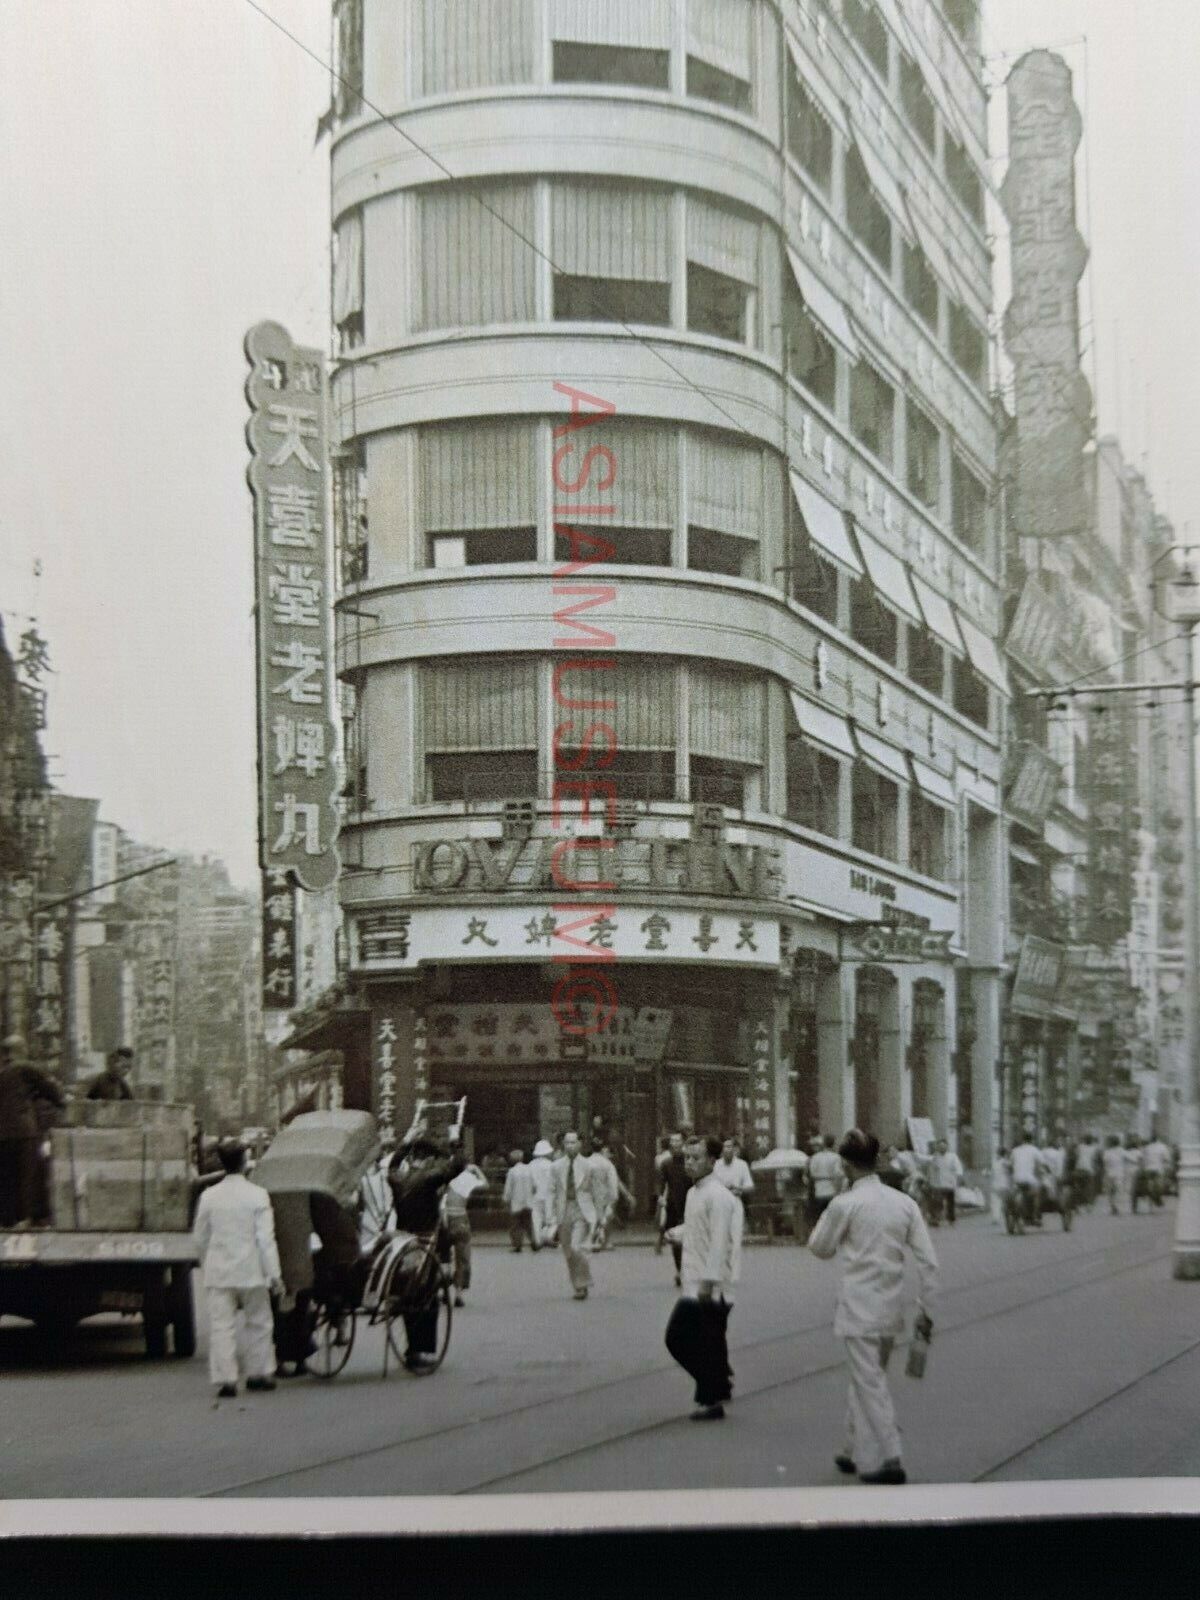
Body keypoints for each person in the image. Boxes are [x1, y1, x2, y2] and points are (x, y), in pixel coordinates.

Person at [808, 1129, 938, 1486]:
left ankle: (891, 1456)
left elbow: (819, 1247)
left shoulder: (845, 1204)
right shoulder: (904, 1203)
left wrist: (835, 1202)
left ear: (846, 1166)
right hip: (890, 1308)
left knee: (868, 1381)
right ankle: (850, 1449)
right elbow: (928, 1262)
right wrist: (926, 1310)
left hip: (857, 1308)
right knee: (866, 1377)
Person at [192, 1139, 282, 1398]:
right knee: (259, 1322)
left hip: (219, 1271)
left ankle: (227, 1379)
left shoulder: (209, 1196)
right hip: (252, 1269)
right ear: (245, 1163)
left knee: (222, 1326)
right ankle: (258, 1373)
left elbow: (200, 1237)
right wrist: (274, 1274)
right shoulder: (258, 1195)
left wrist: (206, 1261)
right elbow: (265, 1239)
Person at [663, 1134, 741, 1422]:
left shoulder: (718, 1195)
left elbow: (720, 1241)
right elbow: (698, 1228)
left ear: (712, 1160)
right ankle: (717, 1387)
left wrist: (708, 1282)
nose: (690, 1163)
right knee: (711, 1342)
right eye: (687, 1158)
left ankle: (712, 1396)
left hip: (710, 1285)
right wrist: (678, 1233)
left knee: (677, 1338)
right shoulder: (695, 1192)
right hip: (695, 1279)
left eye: (696, 1158)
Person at [384, 1128, 465, 1370]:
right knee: (425, 1298)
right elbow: (458, 1165)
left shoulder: (397, 1179)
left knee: (410, 1292)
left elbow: (391, 1166)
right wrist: (453, 1142)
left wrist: (405, 1145)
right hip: (425, 1241)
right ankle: (417, 1349)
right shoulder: (430, 1178)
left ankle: (412, 1344)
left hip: (402, 1241)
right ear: (427, 1159)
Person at [0, 1035, 64, 1227]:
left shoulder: (3, 1073)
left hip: (2, 1136)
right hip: (24, 1133)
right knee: (29, 1176)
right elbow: (53, 1091)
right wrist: (61, 1100)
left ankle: (7, 1222)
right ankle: (27, 1219)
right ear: (21, 1050)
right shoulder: (26, 1067)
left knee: (7, 1178)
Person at [551, 1131, 599, 1300]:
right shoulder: (556, 1166)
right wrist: (551, 1218)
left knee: (577, 1247)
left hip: (582, 1209)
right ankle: (577, 1285)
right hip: (564, 1209)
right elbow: (552, 1192)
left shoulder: (588, 1166)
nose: (570, 1146)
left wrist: (599, 1216)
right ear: (563, 1145)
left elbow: (596, 1192)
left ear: (579, 1144)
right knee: (568, 1252)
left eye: (573, 1142)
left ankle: (583, 1282)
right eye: (567, 1143)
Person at [441, 1161, 486, 1308]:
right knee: (462, 1259)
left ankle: (443, 1290)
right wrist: (476, 1169)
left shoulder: (442, 1178)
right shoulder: (466, 1179)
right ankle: (458, 1293)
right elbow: (485, 1184)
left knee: (443, 1258)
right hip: (460, 1219)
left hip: (443, 1220)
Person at [658, 1132, 692, 1288]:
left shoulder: (690, 1161)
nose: (675, 1143)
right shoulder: (666, 1164)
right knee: (676, 1241)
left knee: (691, 1240)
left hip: (690, 1204)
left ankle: (690, 1270)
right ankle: (680, 1270)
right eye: (673, 1141)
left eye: (678, 1140)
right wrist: (660, 1197)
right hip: (673, 1206)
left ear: (683, 1143)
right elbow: (661, 1184)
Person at [589, 1143, 629, 1250]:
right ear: (603, 1150)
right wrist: (614, 1198)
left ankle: (591, 1239)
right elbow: (613, 1182)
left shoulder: (586, 1162)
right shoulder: (607, 1164)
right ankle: (605, 1241)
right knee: (605, 1218)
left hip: (590, 1195)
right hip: (604, 1195)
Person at [503, 1148, 537, 1252]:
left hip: (516, 1202)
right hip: (528, 1201)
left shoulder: (512, 1172)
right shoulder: (529, 1169)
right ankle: (534, 1242)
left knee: (515, 1225)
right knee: (529, 1224)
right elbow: (535, 1186)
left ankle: (517, 1245)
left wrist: (506, 1199)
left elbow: (508, 1188)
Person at [807, 1135, 843, 1228]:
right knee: (832, 1219)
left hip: (819, 1189)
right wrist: (839, 1191)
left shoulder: (815, 1157)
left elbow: (812, 1173)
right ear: (833, 1144)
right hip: (832, 1189)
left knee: (820, 1219)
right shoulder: (836, 1157)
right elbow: (838, 1174)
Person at [927, 1140, 963, 1227]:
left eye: (943, 1146)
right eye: (940, 1146)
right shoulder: (935, 1157)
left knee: (950, 1203)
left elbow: (958, 1168)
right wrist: (930, 1180)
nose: (942, 1148)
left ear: (947, 1147)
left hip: (950, 1183)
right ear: (938, 1147)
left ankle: (951, 1219)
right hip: (938, 1184)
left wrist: (959, 1178)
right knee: (938, 1202)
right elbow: (931, 1169)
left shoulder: (952, 1156)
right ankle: (936, 1219)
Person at [1010, 1134, 1043, 1226]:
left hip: (1017, 1179)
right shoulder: (1034, 1150)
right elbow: (1042, 1162)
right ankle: (1036, 1215)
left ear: (1022, 1140)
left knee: (1014, 1194)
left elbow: (1010, 1164)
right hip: (1029, 1179)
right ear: (1031, 1141)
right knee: (1037, 1194)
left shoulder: (1015, 1150)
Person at [529, 1138, 557, 1246]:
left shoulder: (531, 1165)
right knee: (552, 1219)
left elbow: (530, 1182)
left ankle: (537, 1240)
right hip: (549, 1195)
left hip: (535, 1195)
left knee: (536, 1218)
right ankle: (548, 1235)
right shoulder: (552, 1165)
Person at [713, 1137, 755, 1205]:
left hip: (736, 1203)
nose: (727, 1150)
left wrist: (738, 1188)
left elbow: (750, 1187)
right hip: (719, 1204)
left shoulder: (742, 1164)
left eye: (729, 1147)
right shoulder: (715, 1165)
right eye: (725, 1147)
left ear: (734, 1149)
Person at [1142, 1133, 1171, 1209]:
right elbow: (1167, 1158)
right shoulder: (1162, 1147)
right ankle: (1156, 1197)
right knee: (1159, 1185)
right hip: (1158, 1168)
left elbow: (1143, 1158)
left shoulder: (1147, 1147)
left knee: (1150, 1182)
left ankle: (1152, 1194)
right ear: (1157, 1138)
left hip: (1148, 1168)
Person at [1102, 1134, 1127, 1215]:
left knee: (1110, 1192)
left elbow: (1105, 1163)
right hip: (1119, 1174)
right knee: (1118, 1191)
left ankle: (1113, 1206)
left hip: (1109, 1173)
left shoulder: (1107, 1152)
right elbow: (1128, 1158)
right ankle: (1116, 1206)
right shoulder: (1121, 1150)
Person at [1074, 1134, 1099, 1209]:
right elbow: (1095, 1160)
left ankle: (1077, 1204)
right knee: (1089, 1188)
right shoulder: (1094, 1148)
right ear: (1091, 1140)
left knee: (1078, 1187)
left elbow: (1076, 1156)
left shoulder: (1080, 1147)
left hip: (1079, 1169)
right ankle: (1088, 1204)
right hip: (1089, 1170)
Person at [1124, 1136, 1146, 1214]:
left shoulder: (1126, 1152)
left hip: (1127, 1172)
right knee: (1135, 1190)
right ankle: (1134, 1207)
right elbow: (1141, 1162)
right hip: (1136, 1171)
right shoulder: (1138, 1152)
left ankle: (1132, 1206)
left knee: (1130, 1190)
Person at [991, 1147, 1011, 1227]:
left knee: (996, 1202)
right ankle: (1001, 1218)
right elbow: (1010, 1171)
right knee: (1002, 1201)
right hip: (1003, 1184)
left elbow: (992, 1173)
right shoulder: (1005, 1162)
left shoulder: (995, 1163)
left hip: (997, 1184)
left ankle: (996, 1218)